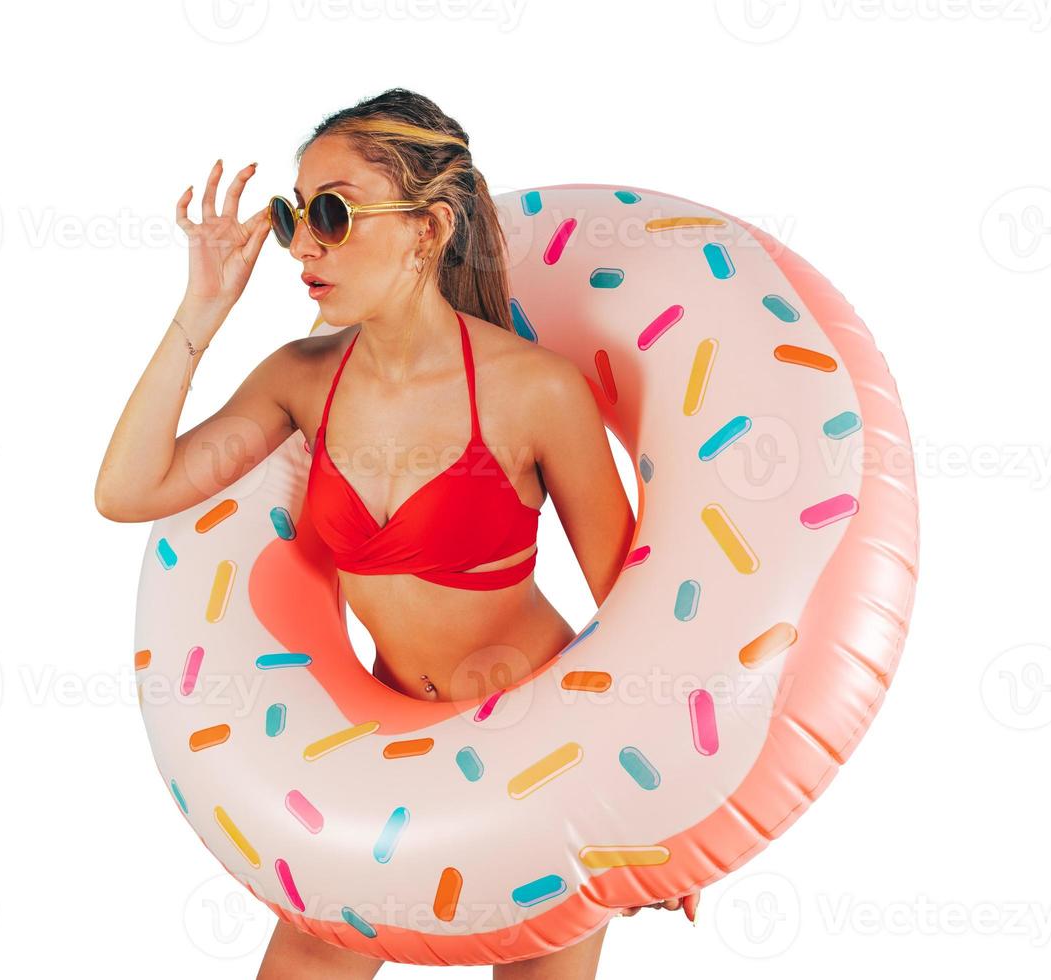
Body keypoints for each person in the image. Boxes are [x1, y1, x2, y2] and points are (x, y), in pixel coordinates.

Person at [95, 87, 699, 979]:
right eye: (292, 214)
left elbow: (630, 604)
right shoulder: (300, 378)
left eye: (332, 214)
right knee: (308, 953)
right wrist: (201, 312)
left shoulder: (534, 390)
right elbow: (127, 489)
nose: (302, 245)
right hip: (385, 744)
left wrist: (664, 806)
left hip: (544, 742)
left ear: (428, 228)